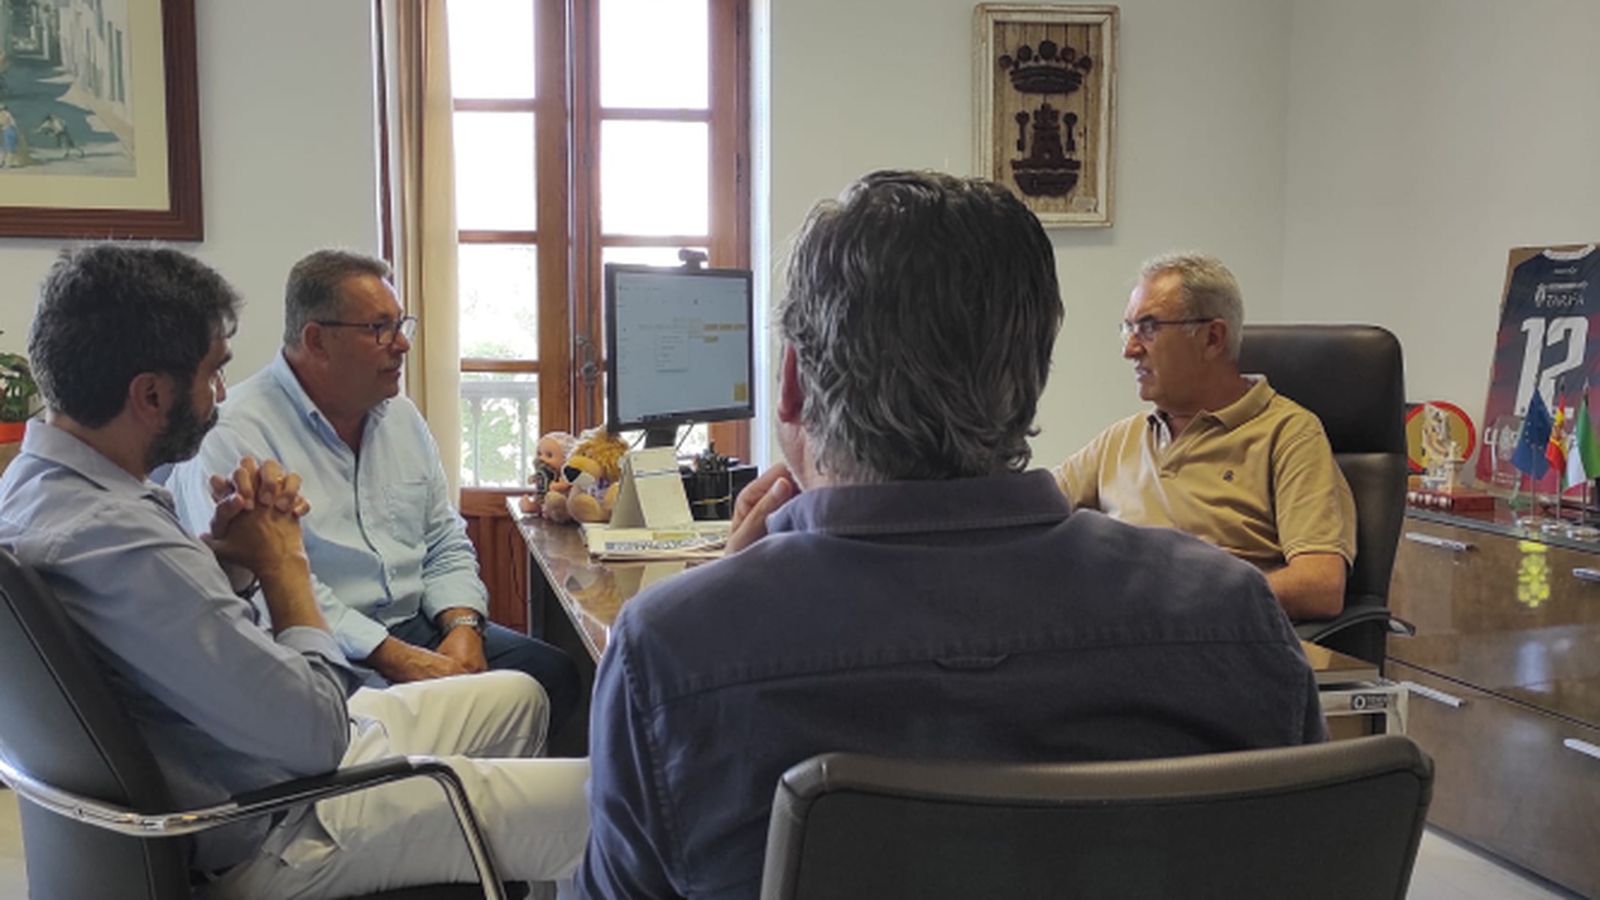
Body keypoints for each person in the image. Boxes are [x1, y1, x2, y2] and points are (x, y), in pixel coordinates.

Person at [575, 172, 1325, 899]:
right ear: (1031, 375)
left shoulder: (670, 653)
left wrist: (722, 604)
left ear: (793, 385)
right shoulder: (1237, 617)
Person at [0, 245, 588, 898]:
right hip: (276, 822)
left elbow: (177, 638)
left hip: (257, 761)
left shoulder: (46, 491)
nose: (220, 395)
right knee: (600, 800)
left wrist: (233, 564)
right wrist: (284, 568)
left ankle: (479, 868)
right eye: (212, 374)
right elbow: (316, 737)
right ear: (150, 394)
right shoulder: (119, 543)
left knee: (521, 696)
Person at [170, 249, 581, 733]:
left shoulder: (401, 417)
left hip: (419, 625)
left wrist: (464, 628)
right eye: (379, 329)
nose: (402, 345)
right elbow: (266, 592)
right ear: (317, 340)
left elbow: (444, 538)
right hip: (316, 649)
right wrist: (399, 660)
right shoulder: (234, 435)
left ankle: (498, 805)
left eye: (401, 324)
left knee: (559, 677)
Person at [1054, 252, 1356, 621]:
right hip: (1119, 636)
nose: (1129, 349)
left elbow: (1320, 586)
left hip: (1214, 642)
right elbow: (1030, 510)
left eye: (1148, 328)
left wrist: (1187, 598)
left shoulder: (1289, 435)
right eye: (1128, 329)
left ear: (1212, 338)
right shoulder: (1122, 438)